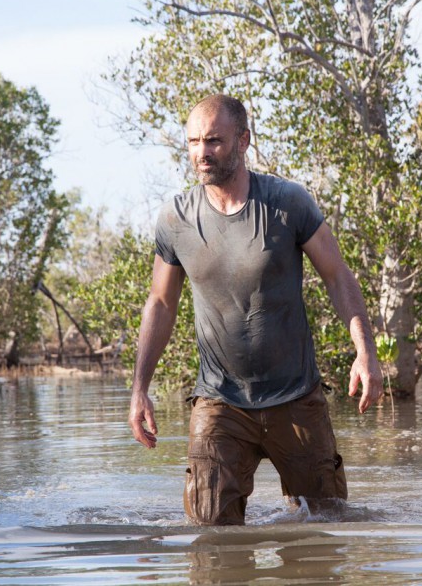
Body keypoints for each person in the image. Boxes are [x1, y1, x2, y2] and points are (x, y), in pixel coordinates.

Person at [128, 94, 384, 526]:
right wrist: (139, 388)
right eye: (193, 142)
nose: (201, 153)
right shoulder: (176, 219)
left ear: (244, 140)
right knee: (211, 536)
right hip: (219, 402)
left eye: (213, 140)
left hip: (297, 399)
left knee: (325, 526)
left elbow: (338, 276)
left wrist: (366, 352)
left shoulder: (288, 203)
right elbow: (160, 301)